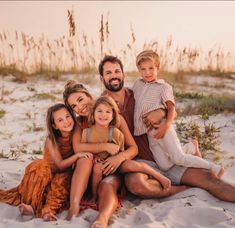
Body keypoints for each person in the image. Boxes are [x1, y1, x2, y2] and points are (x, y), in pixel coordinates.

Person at [99, 54, 235, 202]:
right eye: (108, 73)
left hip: (165, 154)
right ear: (102, 78)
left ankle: (188, 157)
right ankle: (183, 189)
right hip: (139, 162)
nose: (114, 76)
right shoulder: (101, 107)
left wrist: (161, 112)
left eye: (117, 71)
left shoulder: (138, 92)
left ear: (123, 74)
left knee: (210, 180)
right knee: (137, 186)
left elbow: (172, 110)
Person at [132, 50, 224, 177]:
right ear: (139, 70)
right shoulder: (138, 84)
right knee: (165, 165)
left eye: (151, 68)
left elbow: (171, 108)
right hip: (149, 133)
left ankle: (214, 167)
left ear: (157, 68)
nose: (147, 73)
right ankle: (191, 147)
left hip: (162, 125)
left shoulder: (163, 87)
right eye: (143, 69)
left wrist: (166, 126)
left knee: (178, 158)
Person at [63, 81, 138, 227]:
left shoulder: (112, 117)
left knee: (107, 184)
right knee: (85, 158)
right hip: (88, 173)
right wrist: (105, 146)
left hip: (111, 168)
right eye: (74, 106)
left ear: (89, 95)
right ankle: (74, 205)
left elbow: (133, 148)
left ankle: (102, 218)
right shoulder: (79, 123)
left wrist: (119, 157)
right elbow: (78, 147)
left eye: (80, 100)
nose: (79, 107)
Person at [0, 103, 93, 221]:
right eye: (60, 120)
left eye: (67, 116)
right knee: (38, 165)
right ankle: (31, 205)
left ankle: (48, 211)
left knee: (62, 180)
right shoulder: (51, 139)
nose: (66, 121)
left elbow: (64, 169)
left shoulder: (76, 130)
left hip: (63, 174)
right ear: (54, 125)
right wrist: (77, 156)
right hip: (46, 174)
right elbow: (59, 165)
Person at [81, 96, 171, 202]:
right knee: (97, 168)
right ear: (93, 113)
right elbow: (86, 151)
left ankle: (158, 176)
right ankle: (94, 196)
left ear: (113, 115)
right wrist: (95, 157)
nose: (103, 115)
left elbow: (121, 151)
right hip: (101, 164)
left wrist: (116, 159)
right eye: (99, 111)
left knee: (131, 165)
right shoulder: (86, 133)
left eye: (107, 112)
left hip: (117, 163)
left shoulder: (115, 132)